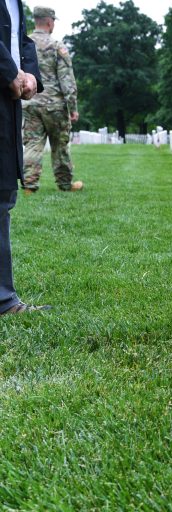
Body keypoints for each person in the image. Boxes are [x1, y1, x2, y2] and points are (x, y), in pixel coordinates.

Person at [1, 0, 50, 315]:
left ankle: (3, 298)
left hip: (7, 100)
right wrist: (10, 71)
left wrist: (29, 73)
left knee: (2, 196)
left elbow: (20, 38)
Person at [22, 6, 82, 194]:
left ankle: (29, 186)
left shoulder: (25, 44)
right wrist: (72, 107)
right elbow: (67, 80)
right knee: (60, 145)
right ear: (49, 22)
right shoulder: (57, 46)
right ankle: (65, 184)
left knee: (32, 143)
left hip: (30, 103)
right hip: (54, 105)